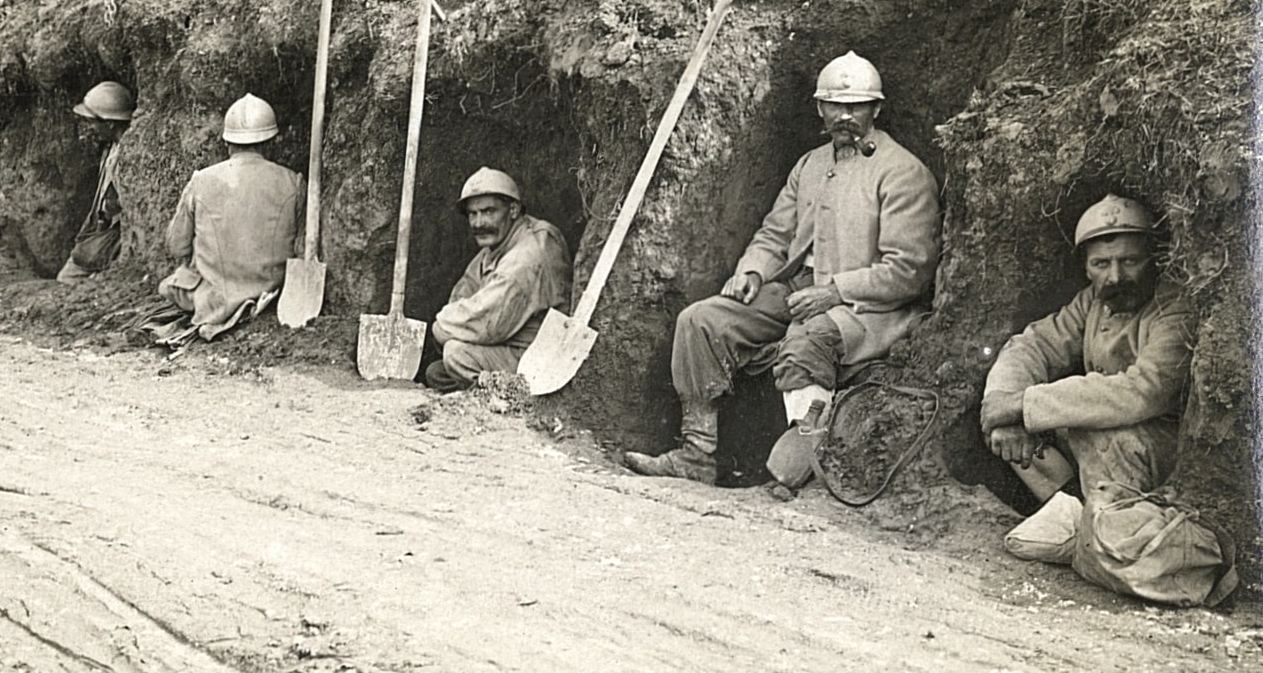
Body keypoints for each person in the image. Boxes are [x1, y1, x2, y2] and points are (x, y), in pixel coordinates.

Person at [625, 52, 940, 482]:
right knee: (700, 321)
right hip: (798, 289)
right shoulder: (810, 165)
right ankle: (696, 456)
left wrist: (835, 292)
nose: (845, 116)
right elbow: (775, 233)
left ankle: (795, 475)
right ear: (820, 109)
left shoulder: (903, 172)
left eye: (857, 106)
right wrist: (752, 271)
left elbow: (909, 271)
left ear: (877, 109)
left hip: (867, 307)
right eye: (835, 106)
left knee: (807, 343)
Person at [979, 195, 1197, 563]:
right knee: (1007, 433)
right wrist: (1004, 398)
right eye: (1102, 263)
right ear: (1086, 268)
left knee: (1104, 437)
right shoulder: (1092, 302)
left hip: (1155, 444)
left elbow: (1142, 392)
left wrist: (1023, 404)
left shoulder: (1174, 308)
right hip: (1099, 442)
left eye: (1130, 261)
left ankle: (1105, 534)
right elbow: (1032, 345)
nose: (1115, 276)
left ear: (1155, 259)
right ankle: (1077, 518)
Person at [157, 94, 304, 332]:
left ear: (227, 142)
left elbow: (176, 246)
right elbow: (301, 249)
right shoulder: (293, 182)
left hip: (215, 301)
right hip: (273, 294)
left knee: (168, 286)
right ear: (270, 142)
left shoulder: (202, 180)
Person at [424, 168, 572, 392]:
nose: (478, 222)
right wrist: (450, 323)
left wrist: (442, 326)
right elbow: (464, 291)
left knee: (455, 354)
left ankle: (511, 397)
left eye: (488, 211)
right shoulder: (497, 245)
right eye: (472, 214)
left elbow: (489, 322)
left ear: (513, 210)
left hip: (538, 357)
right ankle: (482, 389)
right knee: (436, 372)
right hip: (506, 343)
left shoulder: (527, 255)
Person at [57, 81, 135, 284]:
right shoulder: (110, 148)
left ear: (109, 123)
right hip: (100, 232)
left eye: (93, 121)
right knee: (66, 278)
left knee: (69, 281)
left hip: (116, 236)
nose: (90, 128)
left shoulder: (131, 152)